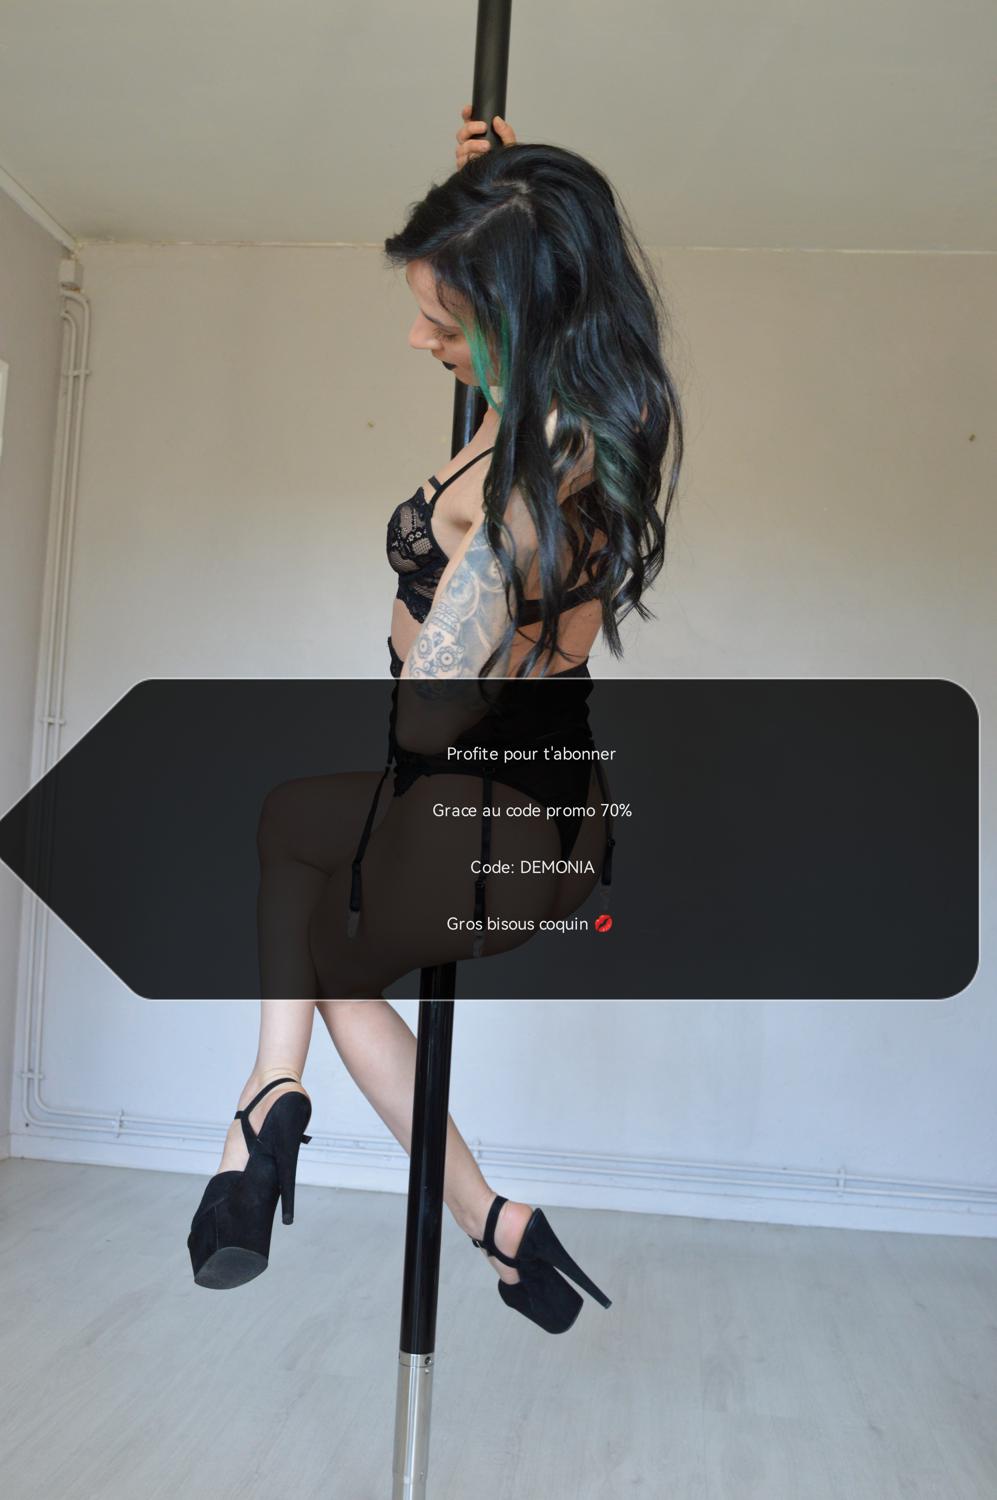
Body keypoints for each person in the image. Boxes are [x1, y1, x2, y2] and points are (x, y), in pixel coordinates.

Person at [187, 106, 685, 1333]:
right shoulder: (578, 404)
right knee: (320, 938)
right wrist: (493, 185)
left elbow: (430, 716)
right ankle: (499, 1227)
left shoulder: (539, 488)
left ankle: (264, 1100)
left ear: (520, 318)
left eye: (447, 323)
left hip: (485, 829)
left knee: (291, 847)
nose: (419, 337)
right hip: (552, 822)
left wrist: (468, 593)